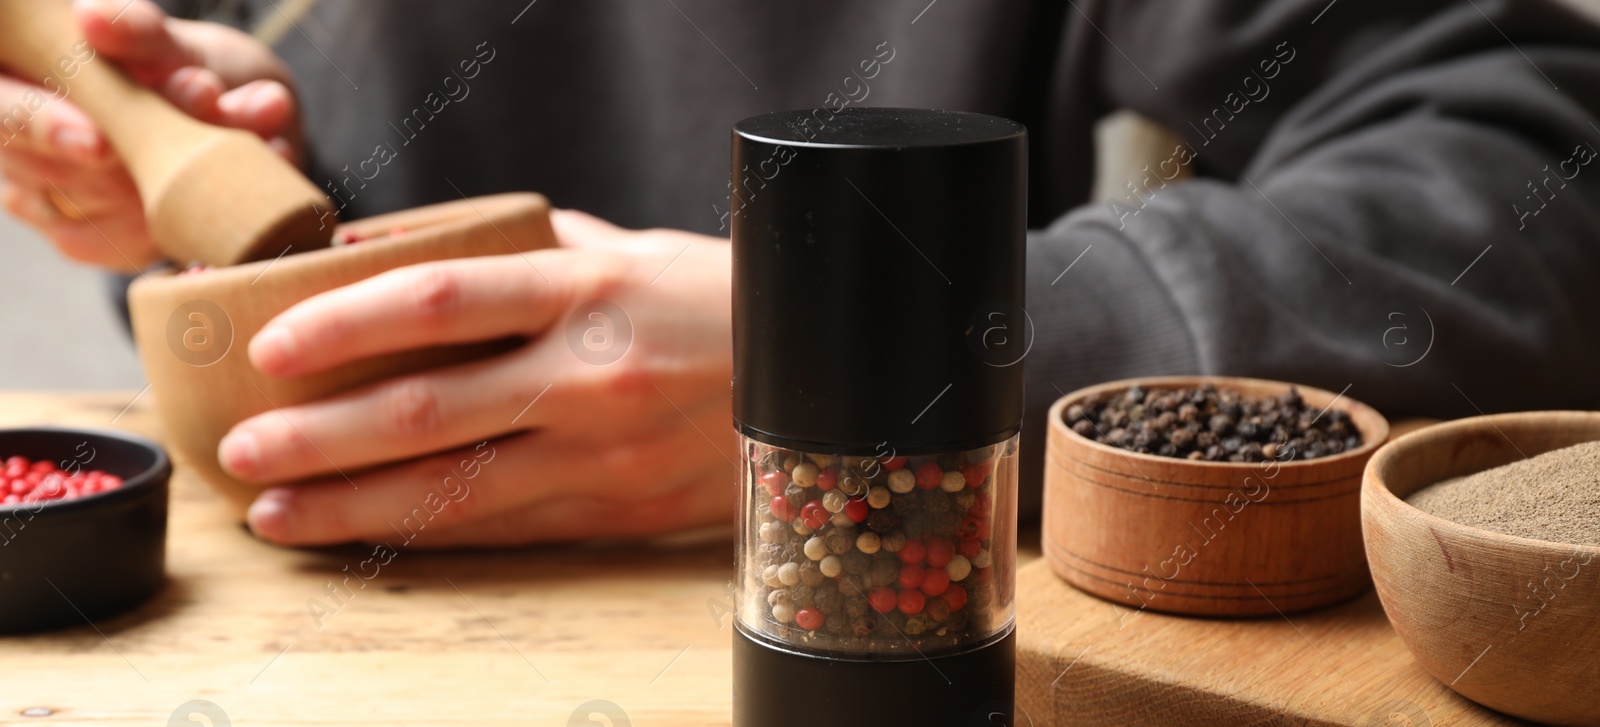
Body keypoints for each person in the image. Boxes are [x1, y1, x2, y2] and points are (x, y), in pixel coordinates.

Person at [4, 0, 1599, 547]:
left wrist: (912, 362)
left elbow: (1528, 160)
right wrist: (166, 171)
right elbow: (247, 175)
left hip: (943, 627)